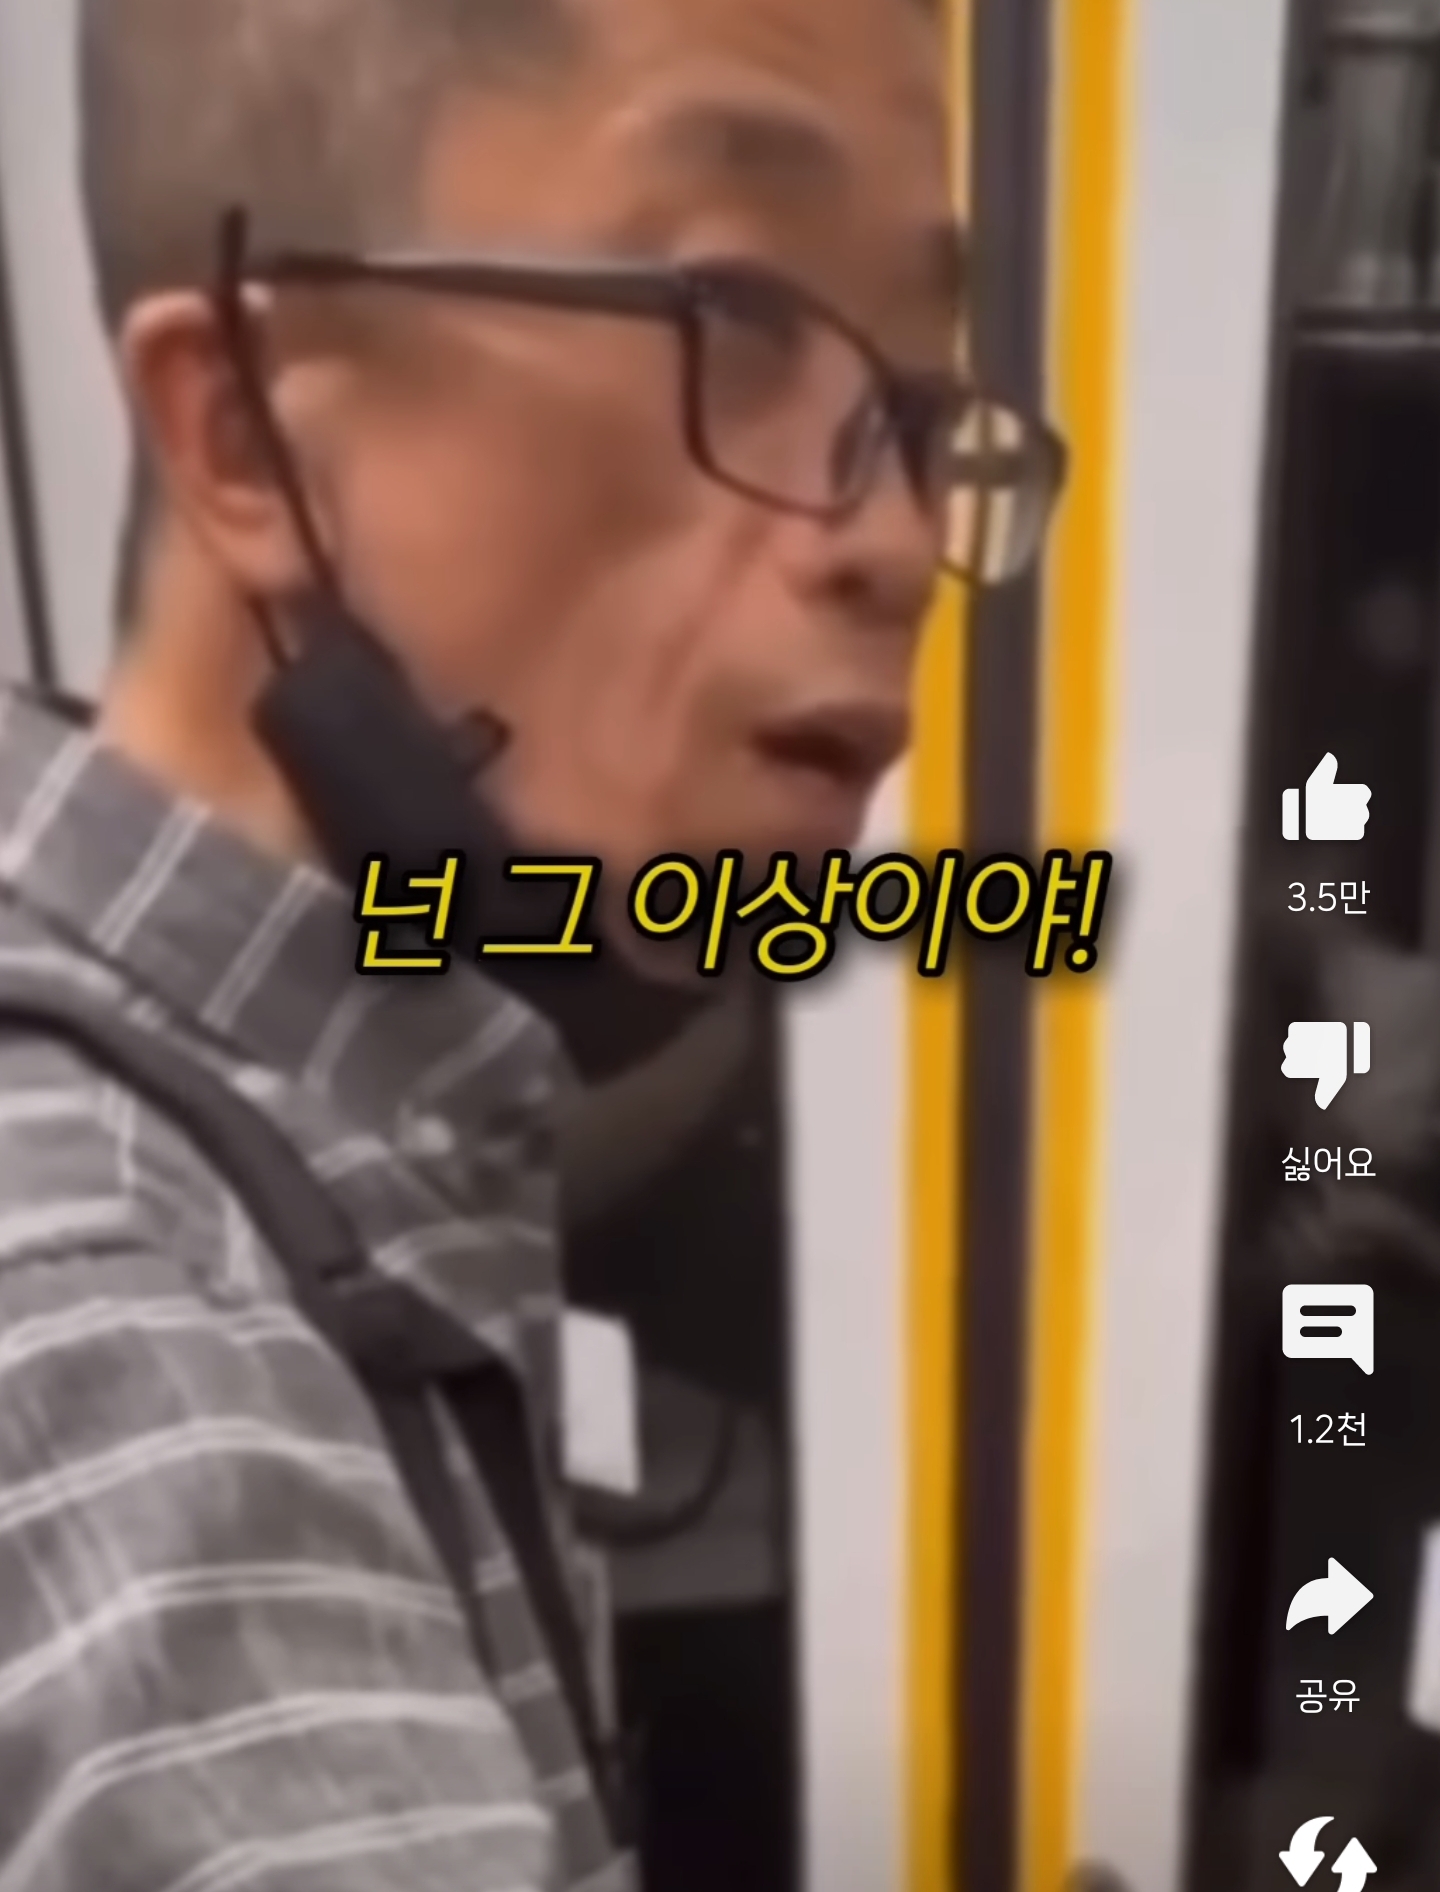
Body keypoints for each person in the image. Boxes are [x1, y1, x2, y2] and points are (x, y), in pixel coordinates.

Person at [0, 0, 1059, 1886]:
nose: (899, 544)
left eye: (912, 414)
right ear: (247, 436)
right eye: (735, 321)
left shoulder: (353, 1102)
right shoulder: (122, 1337)